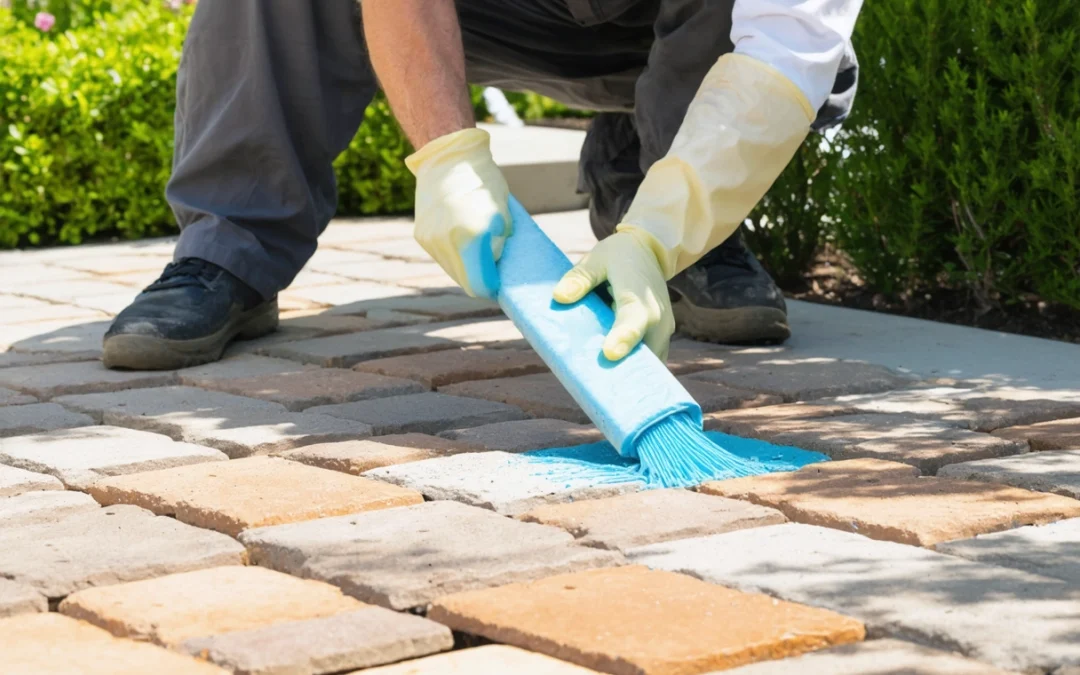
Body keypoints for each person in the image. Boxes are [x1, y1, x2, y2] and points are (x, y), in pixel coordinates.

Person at [102, 0, 862, 370]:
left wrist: (664, 228)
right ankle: (232, 243)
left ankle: (672, 212)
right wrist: (446, 154)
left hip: (669, 26)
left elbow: (788, 42)